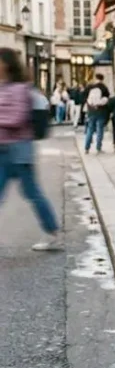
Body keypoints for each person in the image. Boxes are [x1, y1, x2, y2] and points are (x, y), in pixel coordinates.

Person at [0, 48, 61, 251]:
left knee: (32, 193)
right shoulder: (3, 87)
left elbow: (17, 118)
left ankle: (52, 231)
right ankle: (51, 230)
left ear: (7, 64)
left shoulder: (20, 89)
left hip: (19, 150)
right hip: (3, 150)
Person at [83, 73, 112, 154]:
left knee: (90, 129)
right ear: (102, 79)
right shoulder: (104, 87)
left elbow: (84, 97)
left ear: (95, 78)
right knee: (100, 130)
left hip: (91, 111)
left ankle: (86, 148)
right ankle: (98, 148)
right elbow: (107, 99)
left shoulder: (89, 87)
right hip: (101, 111)